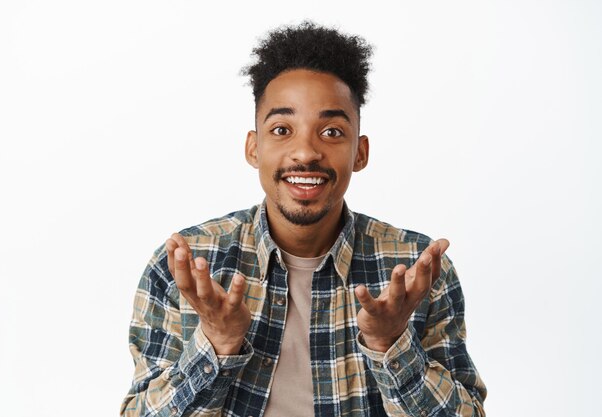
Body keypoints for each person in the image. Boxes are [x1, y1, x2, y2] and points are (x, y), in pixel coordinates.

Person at [121, 21, 487, 417]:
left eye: (331, 131)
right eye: (282, 129)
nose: (306, 152)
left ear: (360, 153)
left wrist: (391, 344)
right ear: (253, 147)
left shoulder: (417, 270)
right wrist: (216, 342)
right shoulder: (186, 265)